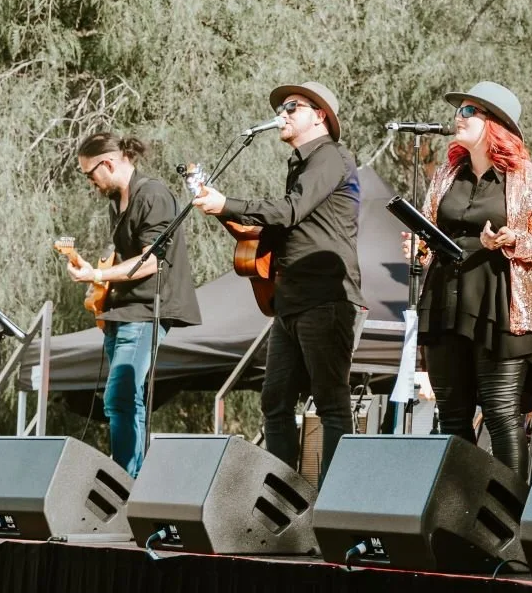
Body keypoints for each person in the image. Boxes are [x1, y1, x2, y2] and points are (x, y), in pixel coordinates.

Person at [192, 81, 364, 482]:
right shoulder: (301, 164)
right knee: (274, 401)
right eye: (281, 108)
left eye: (292, 107)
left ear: (320, 115)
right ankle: (285, 502)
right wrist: (222, 210)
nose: (281, 114)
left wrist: (228, 202)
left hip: (326, 298)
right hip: (290, 300)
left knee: (330, 403)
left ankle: (336, 504)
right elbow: (284, 228)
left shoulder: (332, 157)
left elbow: (290, 211)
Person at [413, 81, 532, 479]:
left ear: (494, 124)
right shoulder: (447, 173)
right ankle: (460, 517)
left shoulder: (529, 178)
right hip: (446, 302)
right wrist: (418, 245)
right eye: (458, 110)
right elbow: (431, 231)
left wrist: (514, 240)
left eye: (468, 111)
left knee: (501, 415)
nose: (457, 117)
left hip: (500, 305)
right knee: (452, 417)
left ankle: (510, 518)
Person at [62, 131, 203, 475]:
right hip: (121, 310)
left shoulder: (152, 194)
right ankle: (130, 479)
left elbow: (152, 260)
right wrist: (97, 274)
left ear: (107, 163)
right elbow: (126, 258)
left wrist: (97, 275)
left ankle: (125, 479)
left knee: (119, 396)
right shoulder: (118, 201)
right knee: (127, 401)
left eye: (89, 175)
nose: (90, 183)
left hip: (145, 311)